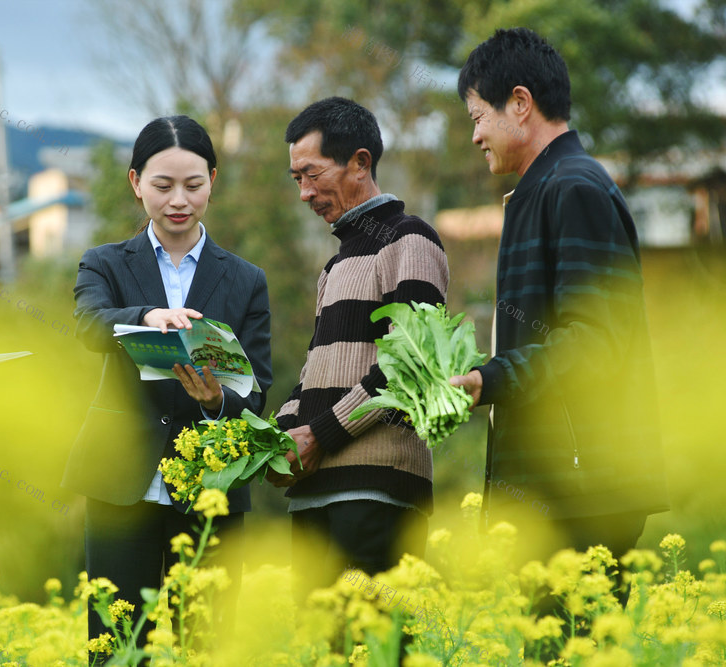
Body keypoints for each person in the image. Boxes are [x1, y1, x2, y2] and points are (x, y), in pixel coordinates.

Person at [450, 28, 669, 568]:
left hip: (582, 492)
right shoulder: (540, 191)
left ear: (519, 104)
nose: (476, 136)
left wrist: (489, 379)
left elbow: (594, 343)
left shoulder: (575, 188)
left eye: (478, 118)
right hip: (555, 491)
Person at [64, 115, 272, 648]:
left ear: (213, 181)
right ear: (136, 184)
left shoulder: (246, 279)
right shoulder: (104, 264)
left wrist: (214, 401)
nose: (178, 199)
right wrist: (146, 316)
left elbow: (258, 387)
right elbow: (89, 324)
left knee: (207, 643)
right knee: (115, 641)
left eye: (193, 185)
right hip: (120, 483)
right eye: (162, 186)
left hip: (211, 486)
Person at [269, 97, 449, 599]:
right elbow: (313, 373)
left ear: (360, 162)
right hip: (315, 491)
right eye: (295, 180)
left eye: (311, 174)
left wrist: (320, 434)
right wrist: (279, 437)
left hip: (378, 487)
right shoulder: (333, 266)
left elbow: (412, 363)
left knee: (372, 644)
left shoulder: (410, 240)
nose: (304, 193)